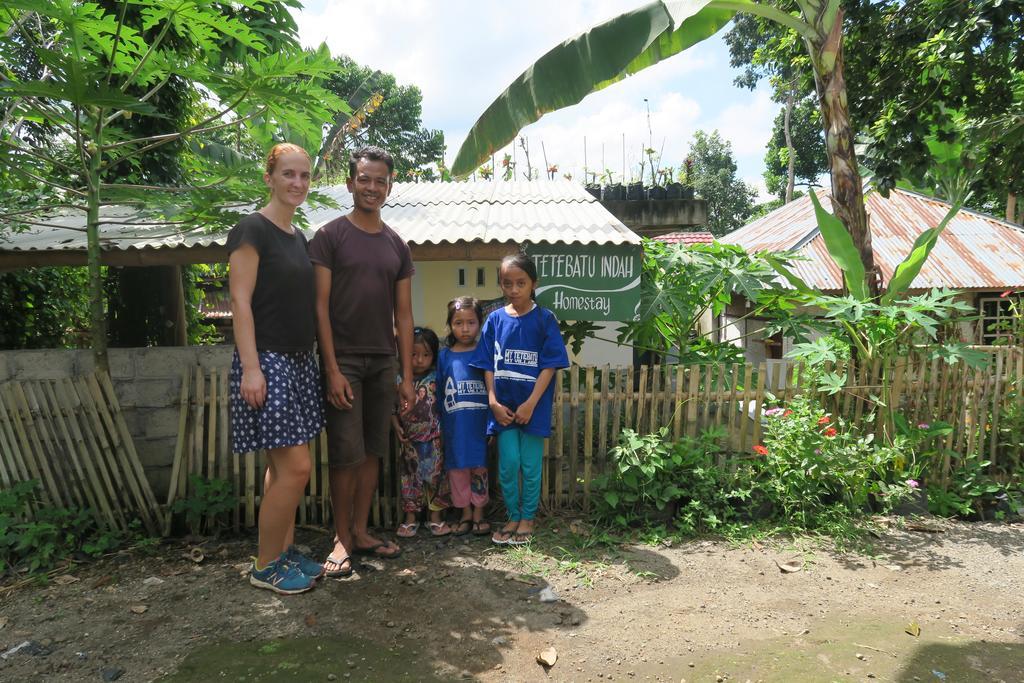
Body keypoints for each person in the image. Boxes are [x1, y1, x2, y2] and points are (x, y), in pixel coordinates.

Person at [309, 146, 413, 575]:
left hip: (384, 362)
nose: (372, 187)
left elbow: (403, 315)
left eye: (380, 180)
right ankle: (341, 539)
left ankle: (361, 531)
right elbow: (319, 307)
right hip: (345, 362)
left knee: (372, 451)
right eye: (365, 179)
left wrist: (406, 376)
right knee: (345, 453)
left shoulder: (397, 246)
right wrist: (331, 368)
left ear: (390, 186)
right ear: (350, 183)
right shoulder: (329, 237)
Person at [227, 142, 325, 594]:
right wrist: (251, 367)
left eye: (304, 176)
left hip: (299, 361)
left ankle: (282, 553)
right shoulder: (252, 230)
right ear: (269, 177)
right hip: (267, 360)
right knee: (297, 467)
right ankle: (265, 566)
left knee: (280, 467)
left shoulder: (296, 237)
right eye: (288, 174)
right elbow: (239, 301)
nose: (298, 183)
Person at [471, 253, 569, 545]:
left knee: (529, 464)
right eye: (507, 283)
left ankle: (528, 518)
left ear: (533, 284)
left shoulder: (545, 319)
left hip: (533, 409)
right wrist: (492, 402)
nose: (514, 289)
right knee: (508, 463)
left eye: (521, 283)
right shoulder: (494, 321)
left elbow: (550, 365)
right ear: (501, 285)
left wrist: (531, 404)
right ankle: (513, 516)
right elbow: (486, 364)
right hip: (502, 409)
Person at [437, 296, 491, 537]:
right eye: (459, 323)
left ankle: (479, 514)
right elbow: (439, 391)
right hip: (454, 427)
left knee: (479, 470)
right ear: (450, 325)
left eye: (471, 322)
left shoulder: (485, 351)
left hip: (478, 426)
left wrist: (492, 425)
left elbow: (493, 388)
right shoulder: (444, 357)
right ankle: (465, 514)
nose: (465, 328)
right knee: (457, 471)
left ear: (479, 323)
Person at [392, 327, 451, 537]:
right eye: (413, 354)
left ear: (434, 356)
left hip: (434, 438)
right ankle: (410, 518)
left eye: (426, 355)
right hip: (409, 441)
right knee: (409, 479)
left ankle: (435, 517)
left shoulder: (437, 378)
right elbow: (392, 407)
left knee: (436, 478)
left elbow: (445, 405)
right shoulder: (399, 381)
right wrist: (396, 425)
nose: (419, 360)